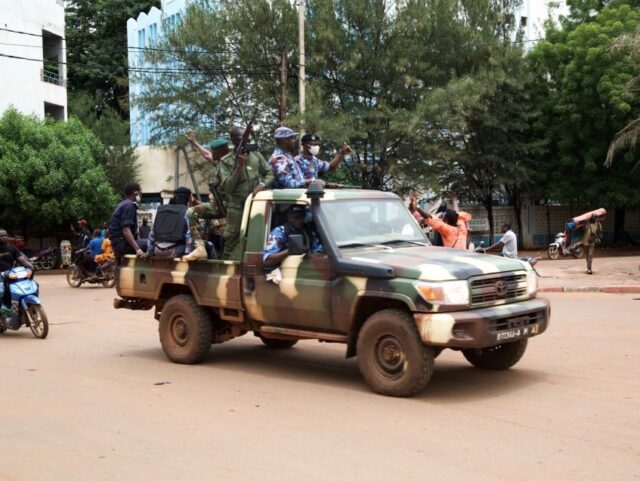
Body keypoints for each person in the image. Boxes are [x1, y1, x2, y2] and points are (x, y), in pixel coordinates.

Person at [210, 126, 274, 262]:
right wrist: (239, 166)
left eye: (247, 138)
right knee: (232, 243)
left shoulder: (255, 155)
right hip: (237, 209)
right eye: (241, 139)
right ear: (233, 141)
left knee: (255, 241)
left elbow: (269, 173)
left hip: (256, 207)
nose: (246, 141)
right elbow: (228, 188)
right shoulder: (226, 161)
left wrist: (261, 185)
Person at [183, 138, 230, 261]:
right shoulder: (219, 163)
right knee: (191, 212)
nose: (211, 153)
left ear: (220, 152)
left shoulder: (231, 165)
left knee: (228, 238)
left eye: (213, 151)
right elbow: (206, 154)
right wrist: (195, 142)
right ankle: (200, 248)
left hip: (233, 208)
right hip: (219, 206)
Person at [148, 187, 192, 259]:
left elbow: (152, 234)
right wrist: (188, 254)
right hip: (174, 251)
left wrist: (149, 252)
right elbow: (189, 235)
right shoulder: (187, 211)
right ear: (188, 198)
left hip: (157, 251)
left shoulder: (161, 210)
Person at [0, 228, 34, 322]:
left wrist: (30, 266)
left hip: (11, 273)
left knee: (32, 286)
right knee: (1, 290)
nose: (4, 237)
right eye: (1, 236)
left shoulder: (12, 248)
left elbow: (21, 259)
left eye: (5, 235)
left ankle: (29, 306)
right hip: (0, 276)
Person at [108, 181, 147, 259]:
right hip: (122, 245)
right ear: (135, 193)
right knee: (152, 244)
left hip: (117, 244)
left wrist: (139, 242)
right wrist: (138, 250)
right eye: (140, 193)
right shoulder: (129, 205)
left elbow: (133, 233)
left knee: (145, 241)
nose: (141, 195)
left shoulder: (121, 204)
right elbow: (126, 230)